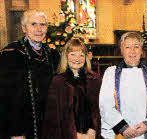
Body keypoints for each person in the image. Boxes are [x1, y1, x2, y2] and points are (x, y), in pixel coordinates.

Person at [0, 9, 59, 139]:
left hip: (48, 126)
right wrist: (15, 132)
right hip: (21, 128)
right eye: (33, 24)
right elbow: (5, 97)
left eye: (43, 25)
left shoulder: (53, 55)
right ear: (24, 28)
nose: (39, 29)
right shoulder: (11, 53)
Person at [99, 32, 147, 139]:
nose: (132, 51)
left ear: (141, 50)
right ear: (121, 50)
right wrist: (123, 127)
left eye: (136, 47)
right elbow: (105, 105)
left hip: (145, 132)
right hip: (119, 131)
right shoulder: (111, 73)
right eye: (128, 47)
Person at [41, 38, 102, 139]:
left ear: (86, 58)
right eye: (73, 54)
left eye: (81, 55)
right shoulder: (58, 82)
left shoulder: (95, 80)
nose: (77, 59)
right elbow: (53, 117)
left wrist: (93, 131)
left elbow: (99, 110)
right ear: (66, 56)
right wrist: (76, 136)